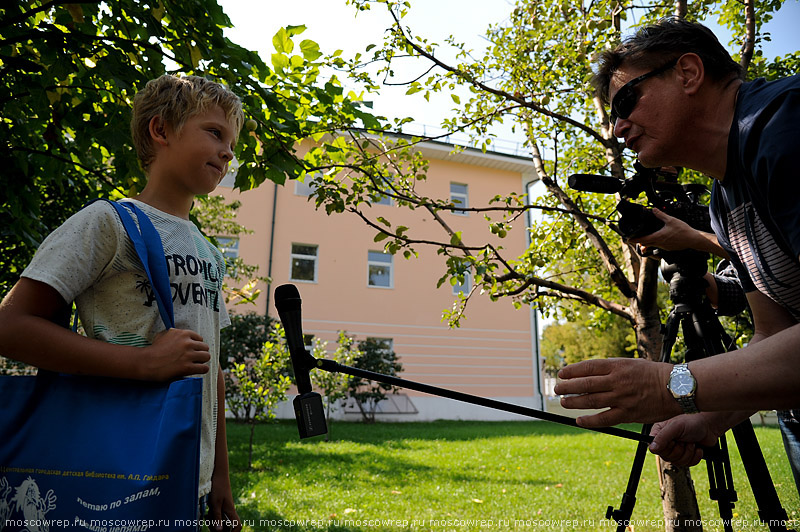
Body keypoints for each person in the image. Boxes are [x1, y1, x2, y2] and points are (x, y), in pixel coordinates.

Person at [552, 17, 800, 494]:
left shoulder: (785, 126)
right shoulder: (724, 201)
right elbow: (774, 333)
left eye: (626, 101)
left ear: (688, 73)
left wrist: (670, 385)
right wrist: (708, 421)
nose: (617, 126)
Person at [0, 74, 244, 529]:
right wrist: (143, 364)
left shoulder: (209, 250)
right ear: (161, 130)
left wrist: (219, 476)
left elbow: (211, 370)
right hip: (120, 469)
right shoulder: (108, 222)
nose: (228, 151)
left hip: (189, 479)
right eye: (214, 133)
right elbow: (10, 327)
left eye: (231, 142)